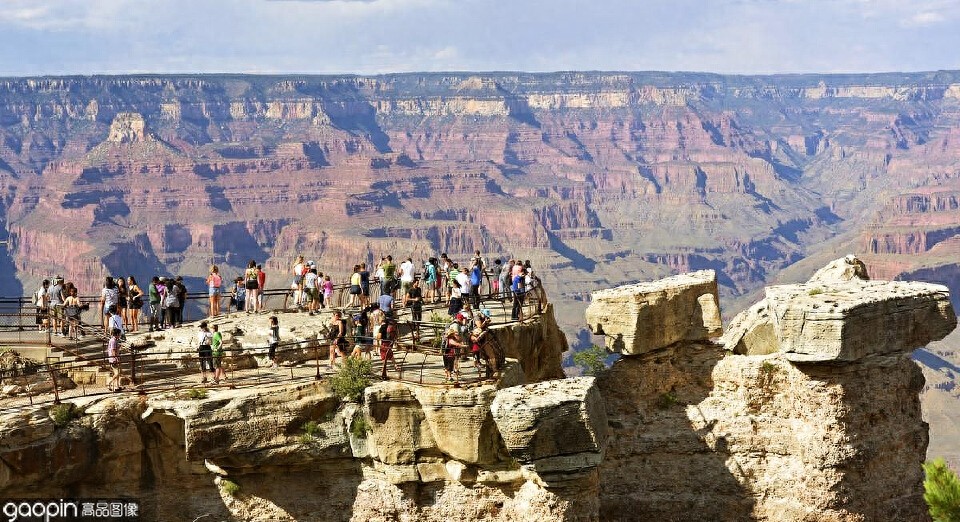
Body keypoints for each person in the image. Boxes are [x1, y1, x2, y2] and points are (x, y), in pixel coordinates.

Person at [442, 313, 468, 383]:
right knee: (448, 366)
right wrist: (462, 345)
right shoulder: (450, 339)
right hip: (449, 354)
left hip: (450, 354)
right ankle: (449, 376)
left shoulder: (450, 338)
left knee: (449, 365)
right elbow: (455, 343)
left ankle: (449, 376)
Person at [107, 328, 123, 392]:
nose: (120, 335)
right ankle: (109, 384)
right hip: (113, 359)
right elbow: (113, 350)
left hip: (114, 358)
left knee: (117, 373)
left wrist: (119, 347)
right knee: (117, 373)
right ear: (116, 334)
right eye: (119, 334)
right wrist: (116, 358)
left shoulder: (114, 340)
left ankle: (117, 386)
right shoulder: (113, 340)